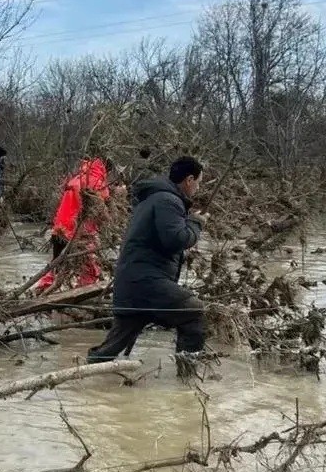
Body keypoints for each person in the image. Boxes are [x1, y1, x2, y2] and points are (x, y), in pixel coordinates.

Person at [87, 155, 207, 363]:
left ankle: (87, 377)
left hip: (132, 283)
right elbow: (175, 239)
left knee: (109, 349)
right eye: (198, 182)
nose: (198, 188)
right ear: (189, 180)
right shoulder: (168, 201)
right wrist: (196, 224)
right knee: (194, 311)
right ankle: (187, 381)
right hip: (146, 283)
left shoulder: (156, 197)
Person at [35, 156, 113, 292]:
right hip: (80, 231)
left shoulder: (76, 178)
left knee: (56, 262)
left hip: (59, 228)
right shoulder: (97, 183)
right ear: (105, 170)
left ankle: (43, 287)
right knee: (89, 266)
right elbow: (102, 208)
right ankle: (84, 292)